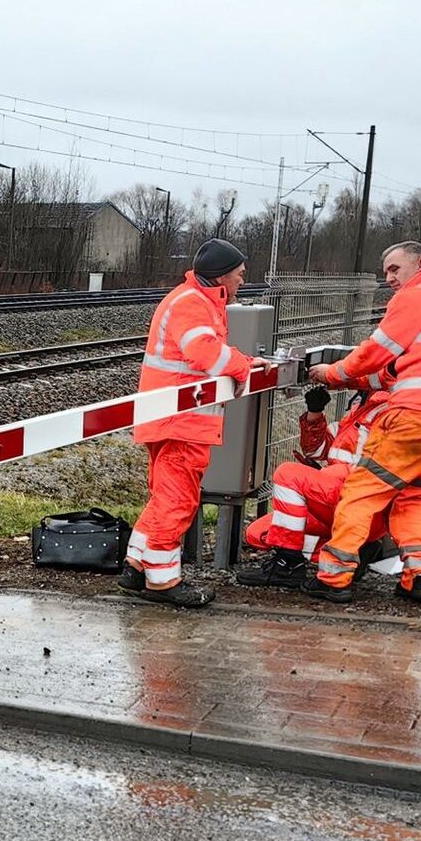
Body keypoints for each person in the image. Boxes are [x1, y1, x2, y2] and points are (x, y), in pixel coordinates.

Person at [300, 241, 421, 603]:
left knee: (362, 490)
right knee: (414, 495)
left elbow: (376, 350)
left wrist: (334, 374)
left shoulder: (418, 295)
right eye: (386, 271)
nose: (389, 279)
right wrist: (354, 380)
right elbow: (393, 370)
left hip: (417, 415)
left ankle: (334, 577)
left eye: (395, 269)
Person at [122, 238, 261, 607]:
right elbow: (202, 353)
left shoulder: (193, 300)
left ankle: (136, 565)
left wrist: (239, 359)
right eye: (239, 275)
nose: (242, 282)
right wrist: (242, 365)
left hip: (170, 418)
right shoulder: (194, 303)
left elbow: (202, 352)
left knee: (165, 497)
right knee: (178, 500)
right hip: (182, 422)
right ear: (221, 277)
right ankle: (163, 581)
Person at [237, 383, 395, 587]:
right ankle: (353, 553)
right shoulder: (359, 409)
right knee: (258, 534)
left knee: (288, 474)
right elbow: (318, 450)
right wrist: (315, 414)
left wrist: (326, 475)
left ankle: (288, 564)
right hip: (337, 502)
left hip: (358, 503)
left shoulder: (386, 409)